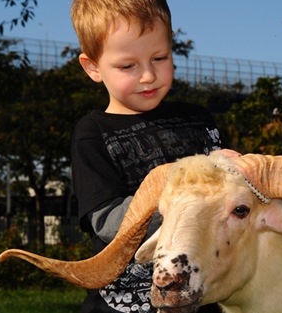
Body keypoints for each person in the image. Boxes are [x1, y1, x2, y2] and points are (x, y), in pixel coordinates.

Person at [70, 0, 226, 312]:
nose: (148, 76)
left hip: (203, 296)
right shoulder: (92, 133)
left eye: (159, 58)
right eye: (128, 66)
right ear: (93, 67)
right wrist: (181, 202)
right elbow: (107, 221)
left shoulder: (198, 119)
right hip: (127, 304)